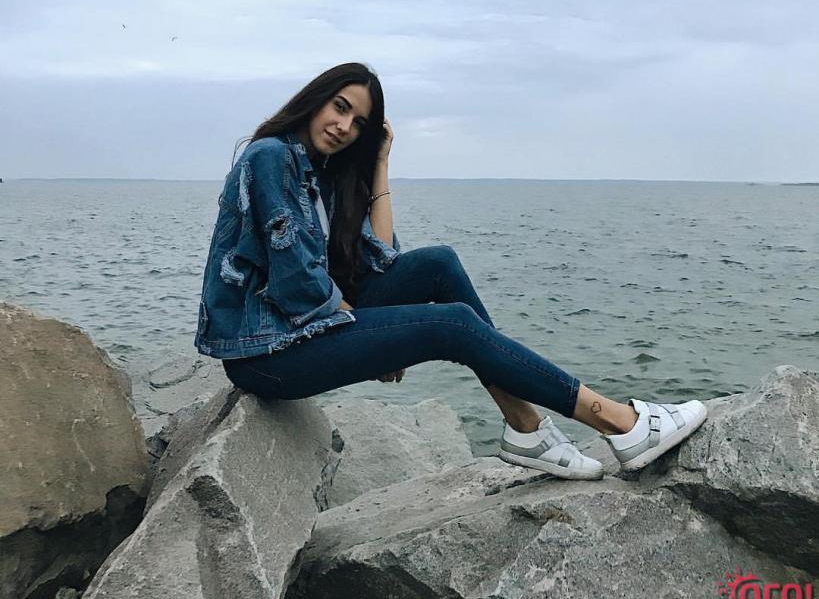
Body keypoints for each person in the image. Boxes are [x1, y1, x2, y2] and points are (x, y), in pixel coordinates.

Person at [194, 62, 707, 479]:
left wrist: (379, 163)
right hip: (267, 353)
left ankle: (524, 425)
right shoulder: (271, 157)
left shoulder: (321, 173)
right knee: (452, 324)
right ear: (315, 99)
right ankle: (621, 423)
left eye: (359, 124)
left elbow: (380, 258)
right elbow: (296, 282)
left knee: (438, 263)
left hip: (304, 329)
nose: (344, 127)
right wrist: (373, 336)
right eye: (340, 107)